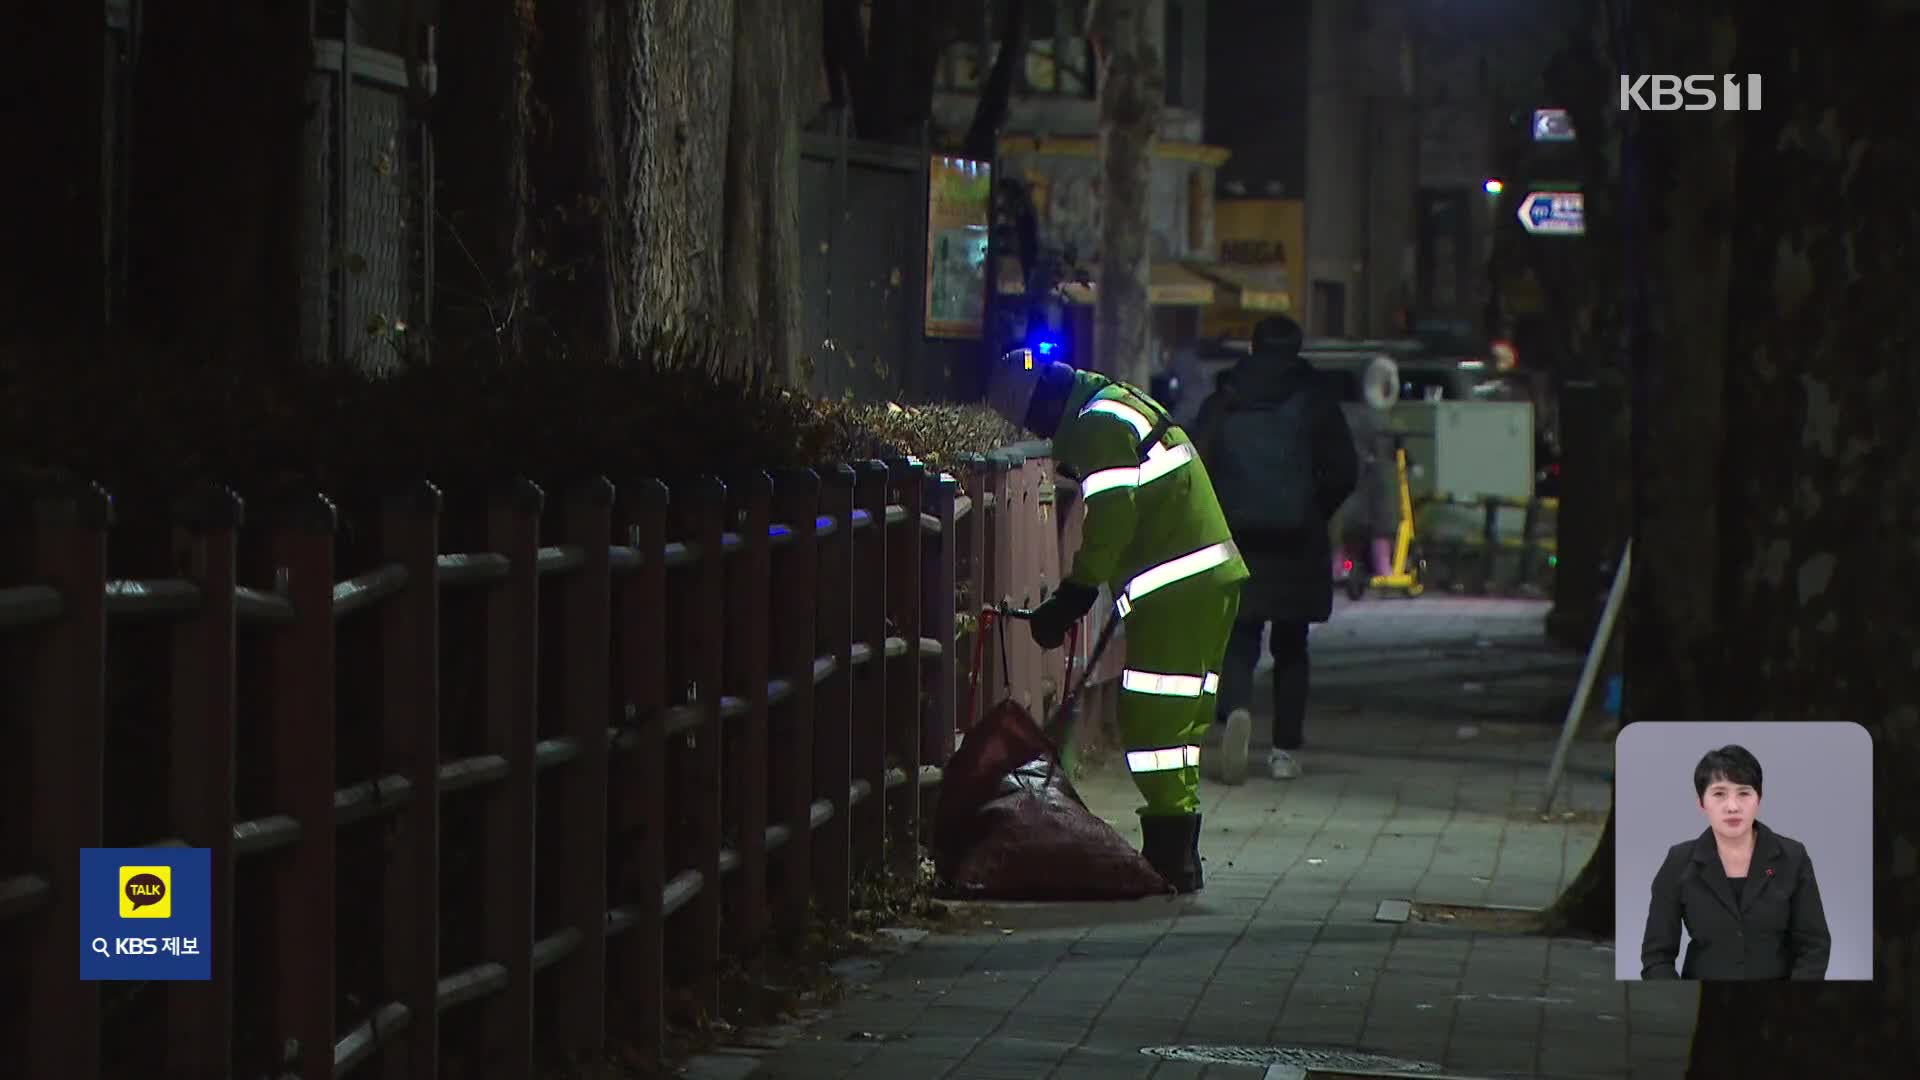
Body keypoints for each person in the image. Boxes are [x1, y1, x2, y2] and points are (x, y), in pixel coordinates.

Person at [984, 347, 1248, 892]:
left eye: (1033, 421)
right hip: (1204, 581)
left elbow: (1111, 519)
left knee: (1152, 725)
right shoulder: (1118, 404)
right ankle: (1178, 855)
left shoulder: (1099, 426)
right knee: (1177, 725)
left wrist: (1074, 595)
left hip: (1177, 589)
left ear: (1043, 406)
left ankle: (1171, 856)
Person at [1190, 315, 1358, 783]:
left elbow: (1195, 459)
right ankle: (1284, 750)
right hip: (1297, 542)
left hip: (1236, 538)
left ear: (1253, 343)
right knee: (1292, 646)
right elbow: (1344, 470)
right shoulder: (1315, 399)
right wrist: (1313, 509)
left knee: (1239, 637)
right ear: (1298, 346)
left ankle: (1237, 708)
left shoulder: (1227, 396)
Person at [1639, 745, 1831, 980]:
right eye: (1719, 794)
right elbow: (1656, 956)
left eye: (1744, 793)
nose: (1732, 806)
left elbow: (1814, 946)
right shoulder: (1679, 861)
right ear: (1701, 803)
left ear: (1758, 798)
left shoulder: (1792, 857)